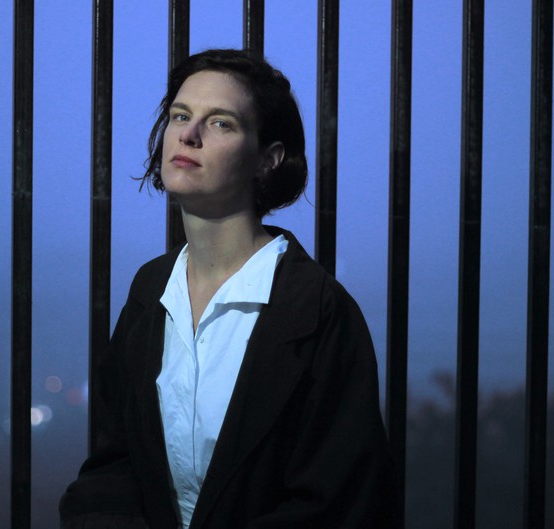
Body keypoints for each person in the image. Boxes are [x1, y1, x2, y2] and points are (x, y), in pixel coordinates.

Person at [60, 48, 395, 529]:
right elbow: (113, 466)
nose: (188, 134)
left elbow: (338, 503)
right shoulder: (151, 289)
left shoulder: (318, 309)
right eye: (181, 115)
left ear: (268, 159)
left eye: (221, 123)